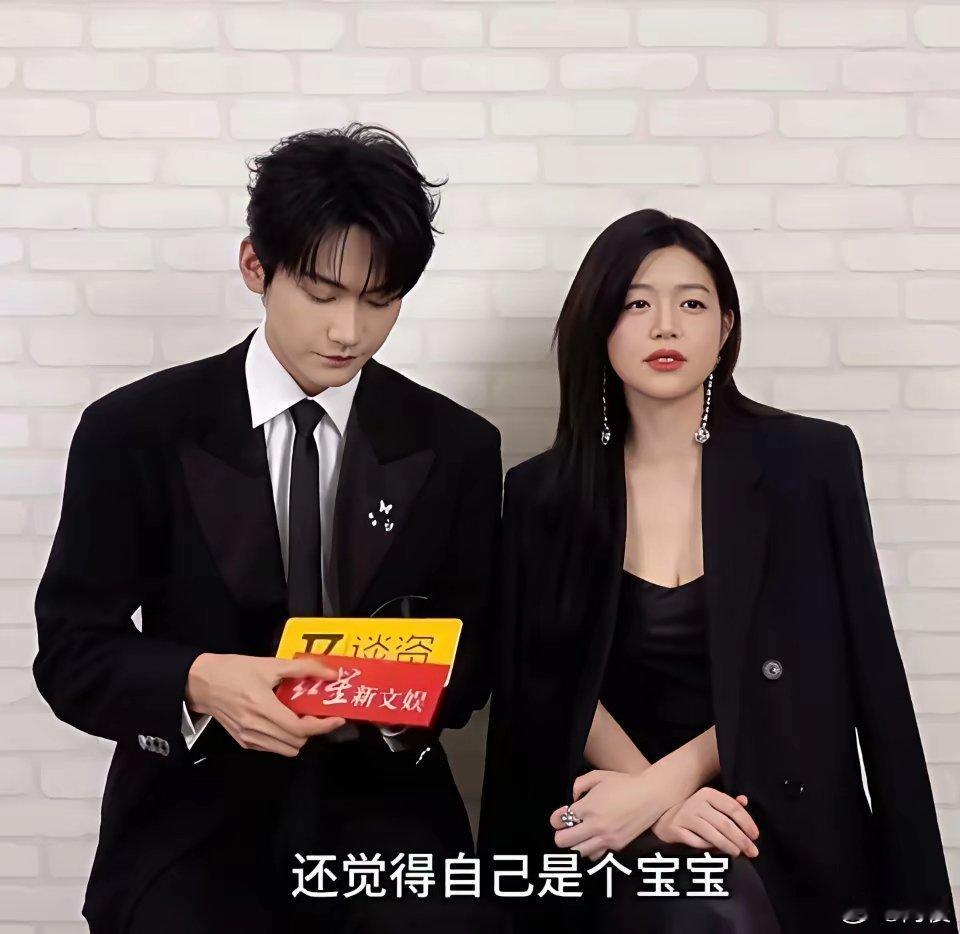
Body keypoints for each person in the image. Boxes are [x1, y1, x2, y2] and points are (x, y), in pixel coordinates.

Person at [33, 123, 504, 933]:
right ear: (256, 266)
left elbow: (479, 653)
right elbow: (73, 653)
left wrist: (375, 692)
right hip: (191, 806)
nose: (348, 331)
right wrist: (201, 680)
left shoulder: (457, 444)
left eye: (380, 300)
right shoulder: (135, 429)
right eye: (322, 295)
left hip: (385, 806)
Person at [478, 209, 957, 934]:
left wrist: (666, 789)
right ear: (598, 324)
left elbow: (849, 676)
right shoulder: (542, 492)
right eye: (636, 304)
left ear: (726, 326)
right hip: (608, 808)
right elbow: (541, 681)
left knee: (717, 902)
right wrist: (652, 805)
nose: (666, 326)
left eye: (693, 304)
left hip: (773, 808)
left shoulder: (809, 463)